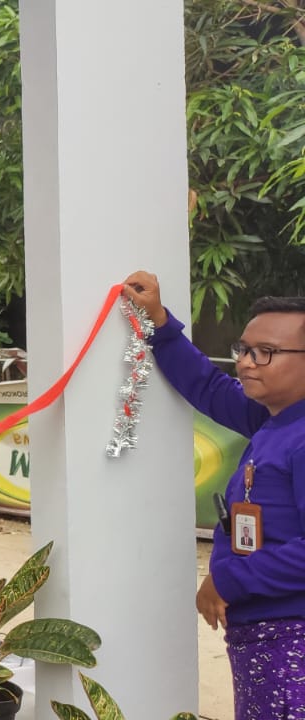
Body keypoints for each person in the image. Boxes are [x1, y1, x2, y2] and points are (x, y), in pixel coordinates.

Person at [123, 271, 305, 719]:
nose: (246, 362)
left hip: (292, 642)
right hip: (265, 634)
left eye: (266, 353)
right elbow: (207, 386)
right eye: (243, 349)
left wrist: (229, 580)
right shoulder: (272, 419)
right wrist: (160, 325)